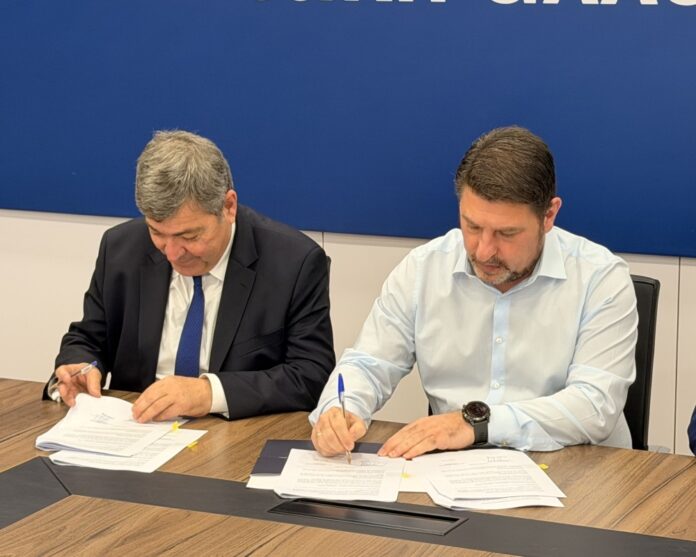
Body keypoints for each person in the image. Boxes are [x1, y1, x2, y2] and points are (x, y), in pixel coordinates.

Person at [310, 126, 638, 459]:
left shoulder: (600, 278)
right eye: (472, 226)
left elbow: (595, 405)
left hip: (579, 470)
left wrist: (475, 423)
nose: (483, 251)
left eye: (506, 233)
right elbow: (370, 364)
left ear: (548, 215)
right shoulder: (423, 269)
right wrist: (341, 409)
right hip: (455, 470)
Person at [44, 130, 335, 422]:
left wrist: (209, 393)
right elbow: (88, 337)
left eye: (189, 236)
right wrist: (80, 365)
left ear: (228, 206)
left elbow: (311, 375)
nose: (172, 253)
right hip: (136, 428)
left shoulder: (293, 263)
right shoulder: (121, 248)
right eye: (157, 232)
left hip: (235, 435)